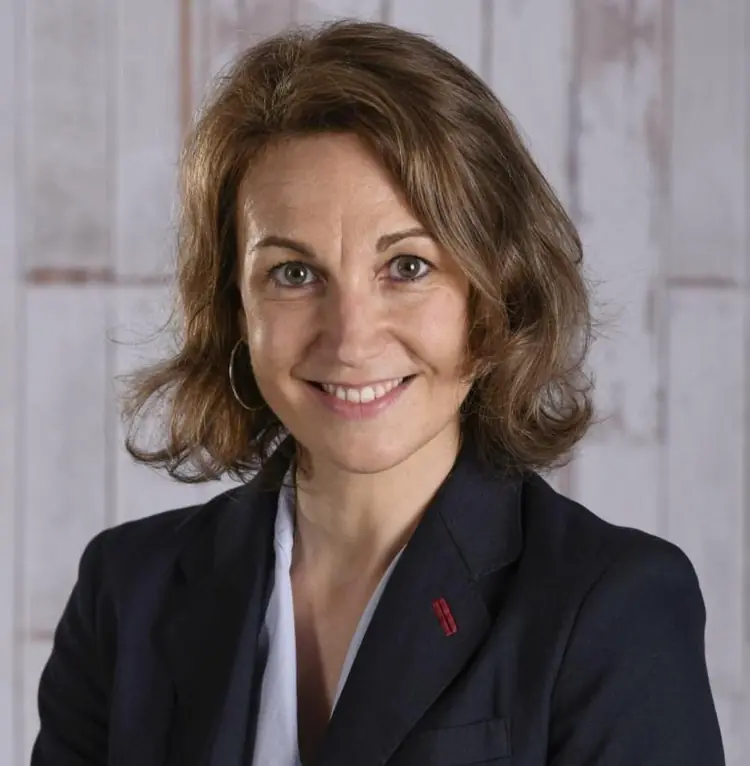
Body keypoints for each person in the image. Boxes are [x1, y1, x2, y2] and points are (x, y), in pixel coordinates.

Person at [32, 19, 724, 766]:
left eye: (408, 267)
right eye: (294, 274)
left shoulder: (611, 607)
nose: (351, 339)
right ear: (234, 307)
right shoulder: (125, 594)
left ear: (497, 289)